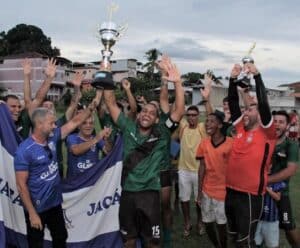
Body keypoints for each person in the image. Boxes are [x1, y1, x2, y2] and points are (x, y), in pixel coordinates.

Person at [103, 58, 184, 248]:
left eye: (151, 113)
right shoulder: (127, 127)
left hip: (150, 196)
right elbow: (110, 102)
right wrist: (106, 69)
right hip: (128, 194)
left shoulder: (163, 133)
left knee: (152, 242)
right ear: (139, 115)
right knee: (128, 240)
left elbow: (179, 110)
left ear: (157, 120)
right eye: (144, 111)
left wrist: (177, 83)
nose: (146, 114)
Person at [14, 89, 102, 248]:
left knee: (61, 237)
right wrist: (33, 214)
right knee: (36, 243)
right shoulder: (24, 150)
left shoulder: (54, 136)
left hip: (54, 203)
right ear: (39, 124)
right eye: (51, 123)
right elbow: (21, 185)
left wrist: (90, 107)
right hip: (37, 207)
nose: (55, 126)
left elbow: (75, 122)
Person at [225, 63, 277, 247]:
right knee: (232, 236)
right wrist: (232, 79)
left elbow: (263, 104)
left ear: (260, 114)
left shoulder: (267, 134)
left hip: (250, 195)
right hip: (230, 191)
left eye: (250, 109)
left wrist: (257, 76)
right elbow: (232, 102)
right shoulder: (240, 127)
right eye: (245, 109)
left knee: (244, 241)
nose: (246, 112)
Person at [196, 111, 233, 248]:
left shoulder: (230, 143)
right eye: (207, 121)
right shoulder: (204, 143)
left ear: (220, 125)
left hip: (223, 192)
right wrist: (199, 192)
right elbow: (202, 168)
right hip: (207, 190)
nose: (207, 124)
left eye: (212, 121)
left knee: (221, 224)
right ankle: (217, 245)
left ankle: (223, 246)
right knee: (207, 222)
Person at [268, 110, 300, 248]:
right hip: (261, 192)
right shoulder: (264, 142)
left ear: (287, 125)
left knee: (288, 226)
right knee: (259, 225)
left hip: (281, 194)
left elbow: (291, 170)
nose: (277, 124)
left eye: (281, 122)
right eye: (274, 121)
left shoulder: (291, 145)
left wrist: (266, 181)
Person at [255, 180, 286, 248]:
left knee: (272, 244)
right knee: (255, 242)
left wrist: (267, 189)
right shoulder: (257, 177)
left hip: (271, 219)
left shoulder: (277, 182)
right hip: (257, 218)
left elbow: (278, 197)